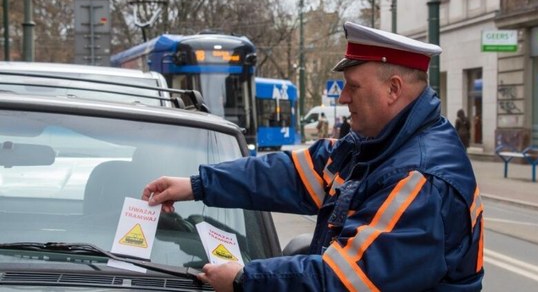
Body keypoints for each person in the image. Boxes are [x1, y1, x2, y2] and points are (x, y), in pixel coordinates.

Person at [142, 21, 484, 291]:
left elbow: (345, 280)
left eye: (353, 86)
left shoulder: (419, 180)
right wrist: (197, 185)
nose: (343, 98)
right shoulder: (371, 146)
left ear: (393, 89)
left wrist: (244, 280)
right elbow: (287, 174)